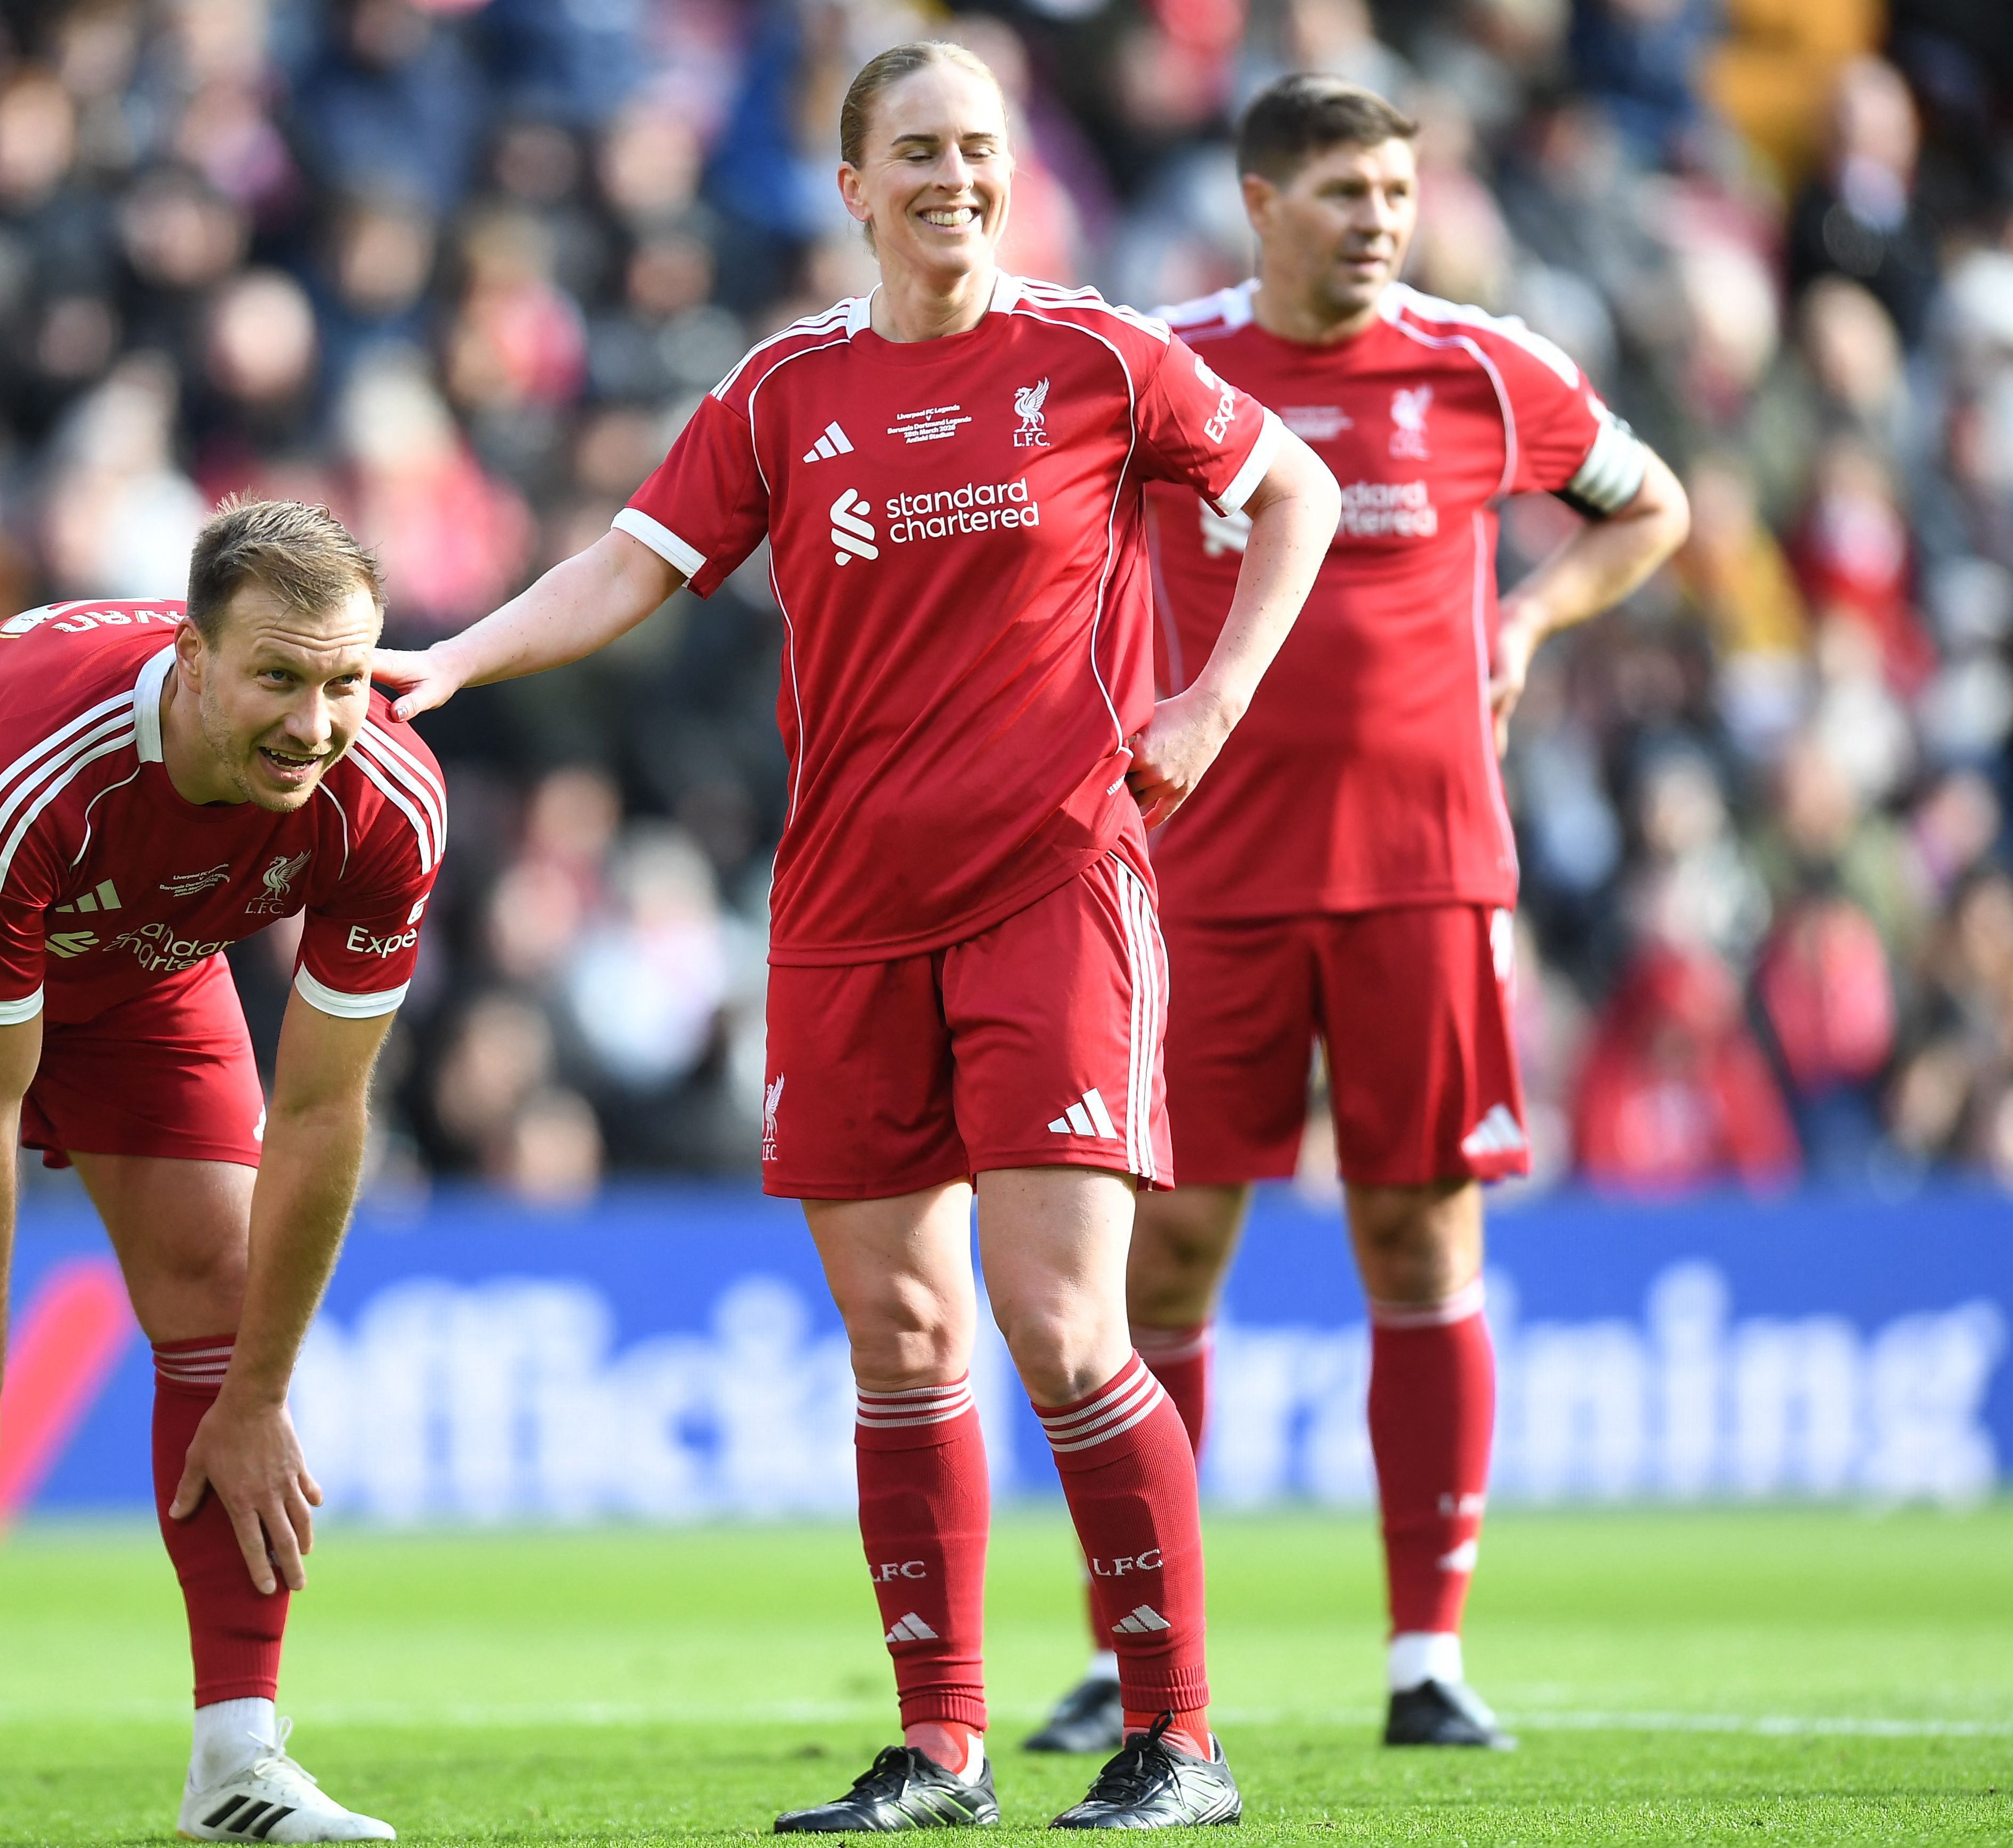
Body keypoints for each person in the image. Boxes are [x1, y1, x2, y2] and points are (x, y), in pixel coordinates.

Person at [372, 40, 1336, 1831]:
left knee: (1058, 1322)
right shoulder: (780, 389)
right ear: (851, 185)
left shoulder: (1099, 354)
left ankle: (1176, 1733)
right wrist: (451, 657)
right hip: (838, 914)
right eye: (916, 150)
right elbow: (630, 562)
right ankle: (941, 1748)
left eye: (977, 146)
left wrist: (1204, 701)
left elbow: (1299, 490)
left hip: (1054, 883)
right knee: (899, 1334)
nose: (952, 175)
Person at [1021, 76, 1689, 1757]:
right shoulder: (1167, 362)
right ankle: (1136, 1647)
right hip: (1204, 879)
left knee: (1418, 1238)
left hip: (1424, 873)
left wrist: (1534, 619)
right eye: (1338, 189)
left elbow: (1651, 503)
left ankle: (1425, 1656)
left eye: (1393, 186)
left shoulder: (1477, 365)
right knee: (1165, 1255)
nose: (1376, 216)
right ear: (1258, 203)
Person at [0, 499, 444, 1846]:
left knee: (220, 1276)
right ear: (190, 658)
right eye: (277, 677)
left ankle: (238, 1763)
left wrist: (255, 1392)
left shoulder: (390, 800)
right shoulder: (37, 769)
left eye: (347, 682)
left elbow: (319, 1113)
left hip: (144, 953)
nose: (316, 724)